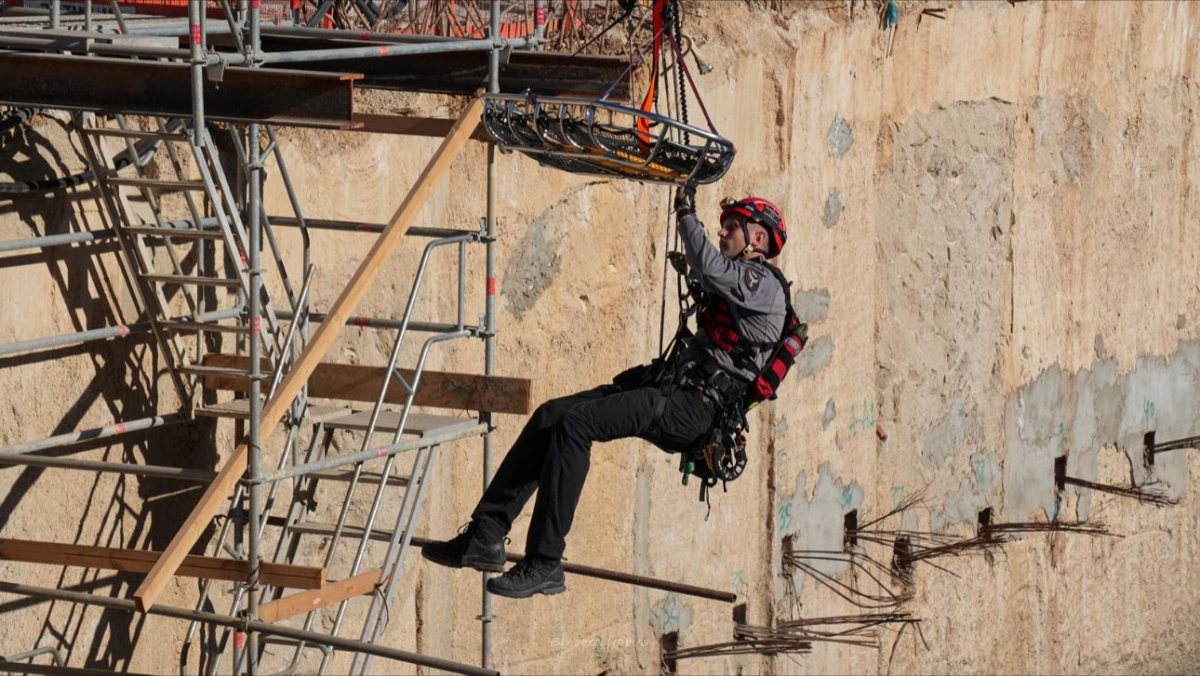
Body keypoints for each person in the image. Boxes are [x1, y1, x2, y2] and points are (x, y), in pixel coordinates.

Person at [422, 188, 790, 599]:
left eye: (732, 227)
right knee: (552, 415)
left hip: (693, 408)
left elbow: (709, 265)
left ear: (758, 239)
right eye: (722, 227)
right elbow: (710, 270)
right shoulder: (743, 282)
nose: (723, 233)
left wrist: (687, 214)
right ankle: (485, 535)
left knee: (577, 426)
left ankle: (545, 562)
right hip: (672, 385)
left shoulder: (765, 285)